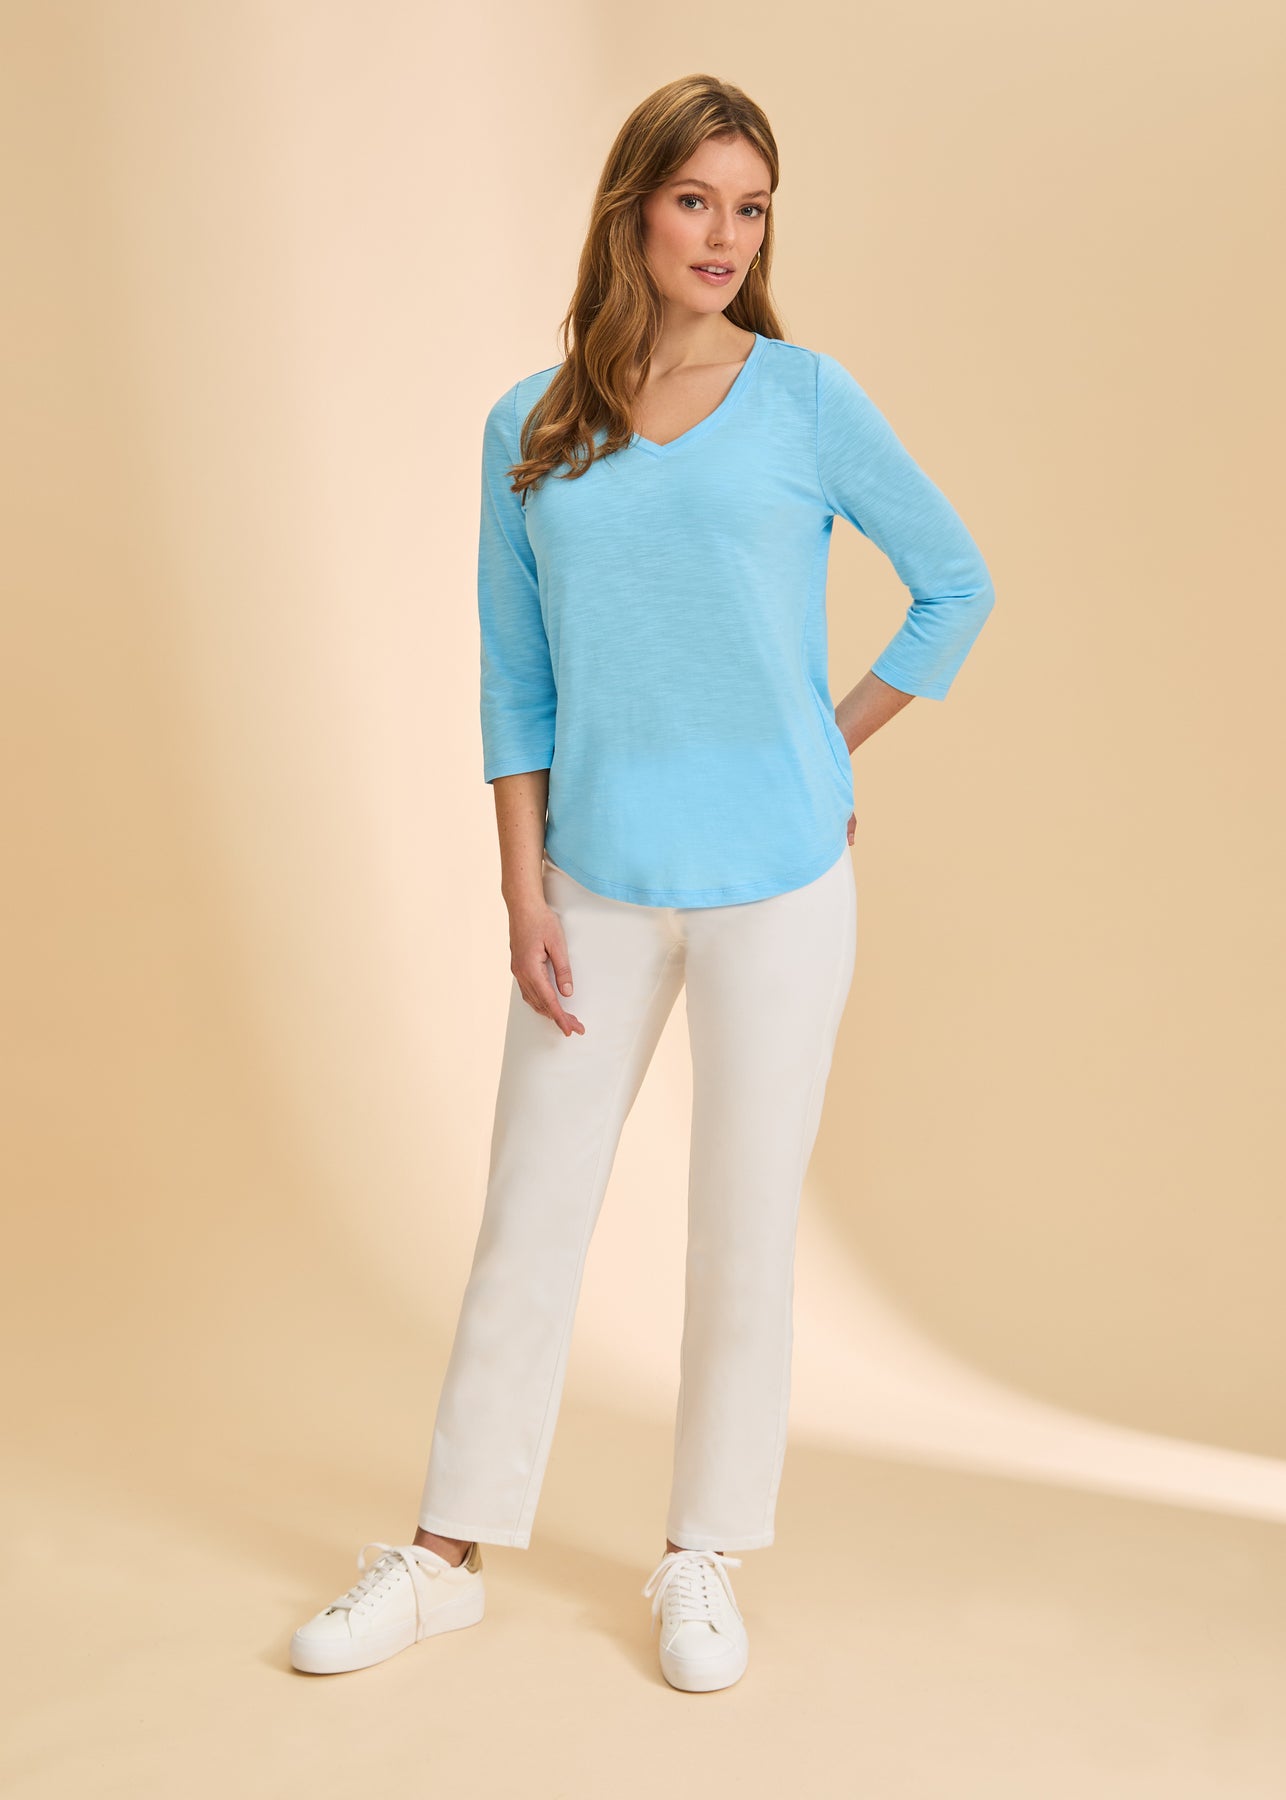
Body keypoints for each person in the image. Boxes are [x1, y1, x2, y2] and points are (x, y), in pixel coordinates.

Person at [290, 72, 995, 1693]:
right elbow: (514, 680)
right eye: (696, 200)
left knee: (743, 1227)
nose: (724, 236)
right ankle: (445, 1555)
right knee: (527, 1219)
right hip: (595, 883)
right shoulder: (532, 426)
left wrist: (825, 750)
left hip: (775, 888)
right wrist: (521, 893)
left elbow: (953, 585)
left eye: (750, 208)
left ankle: (701, 1556)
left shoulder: (804, 398)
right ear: (631, 207)